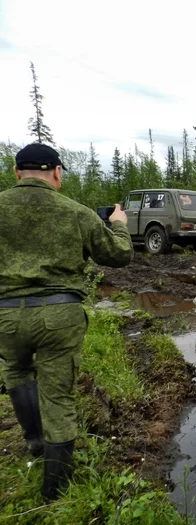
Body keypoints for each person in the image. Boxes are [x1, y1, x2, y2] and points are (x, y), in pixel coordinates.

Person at [0, 143, 133, 501]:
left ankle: (35, 444)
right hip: (60, 314)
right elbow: (118, 255)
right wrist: (118, 225)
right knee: (57, 397)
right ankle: (54, 488)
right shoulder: (76, 211)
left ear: (16, 173)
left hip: (6, 315)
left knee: (16, 371)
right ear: (57, 172)